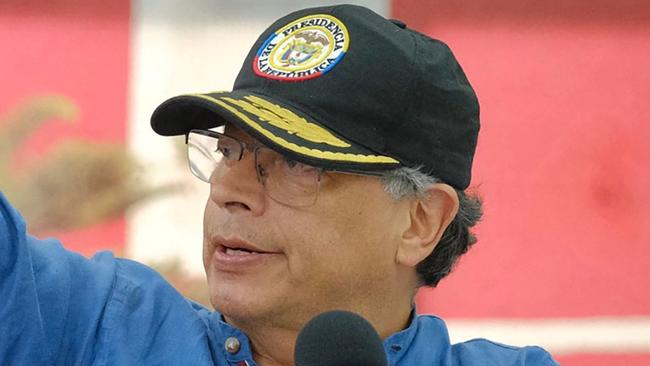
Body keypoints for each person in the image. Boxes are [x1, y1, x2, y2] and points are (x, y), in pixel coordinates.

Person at [0, 4, 558, 365]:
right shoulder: (96, 325)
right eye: (229, 151)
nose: (228, 191)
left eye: (297, 164)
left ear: (420, 222)